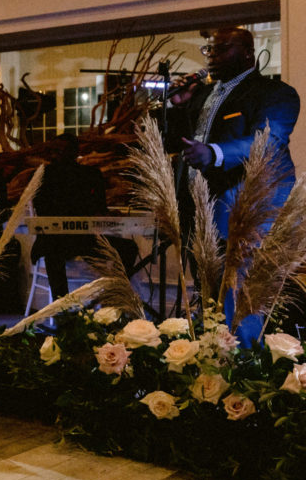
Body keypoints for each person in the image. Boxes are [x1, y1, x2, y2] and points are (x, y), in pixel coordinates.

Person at [167, 26, 299, 339]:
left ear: (247, 52)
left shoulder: (275, 93)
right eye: (207, 50)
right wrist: (177, 106)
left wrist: (213, 153)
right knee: (206, 302)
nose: (211, 56)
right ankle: (209, 369)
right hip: (197, 212)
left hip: (241, 213)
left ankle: (243, 370)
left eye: (221, 48)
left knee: (240, 304)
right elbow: (177, 142)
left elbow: (267, 142)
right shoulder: (203, 94)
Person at [30, 135, 137, 300]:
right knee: (54, 253)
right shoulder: (43, 175)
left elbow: (99, 210)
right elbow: (42, 212)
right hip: (54, 239)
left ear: (74, 152)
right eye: (55, 150)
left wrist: (110, 216)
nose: (56, 154)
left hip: (83, 239)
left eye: (60, 150)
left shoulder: (90, 175)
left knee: (129, 248)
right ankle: (61, 308)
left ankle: (113, 297)